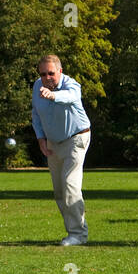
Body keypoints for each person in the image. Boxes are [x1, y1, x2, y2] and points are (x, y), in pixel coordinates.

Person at [30, 54, 91, 245]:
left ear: (60, 71)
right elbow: (36, 114)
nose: (47, 78)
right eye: (43, 74)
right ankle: (73, 231)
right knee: (59, 190)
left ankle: (78, 234)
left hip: (76, 138)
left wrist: (54, 95)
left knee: (70, 185)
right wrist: (40, 137)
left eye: (51, 73)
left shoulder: (71, 85)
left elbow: (71, 97)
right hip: (53, 143)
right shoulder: (37, 86)